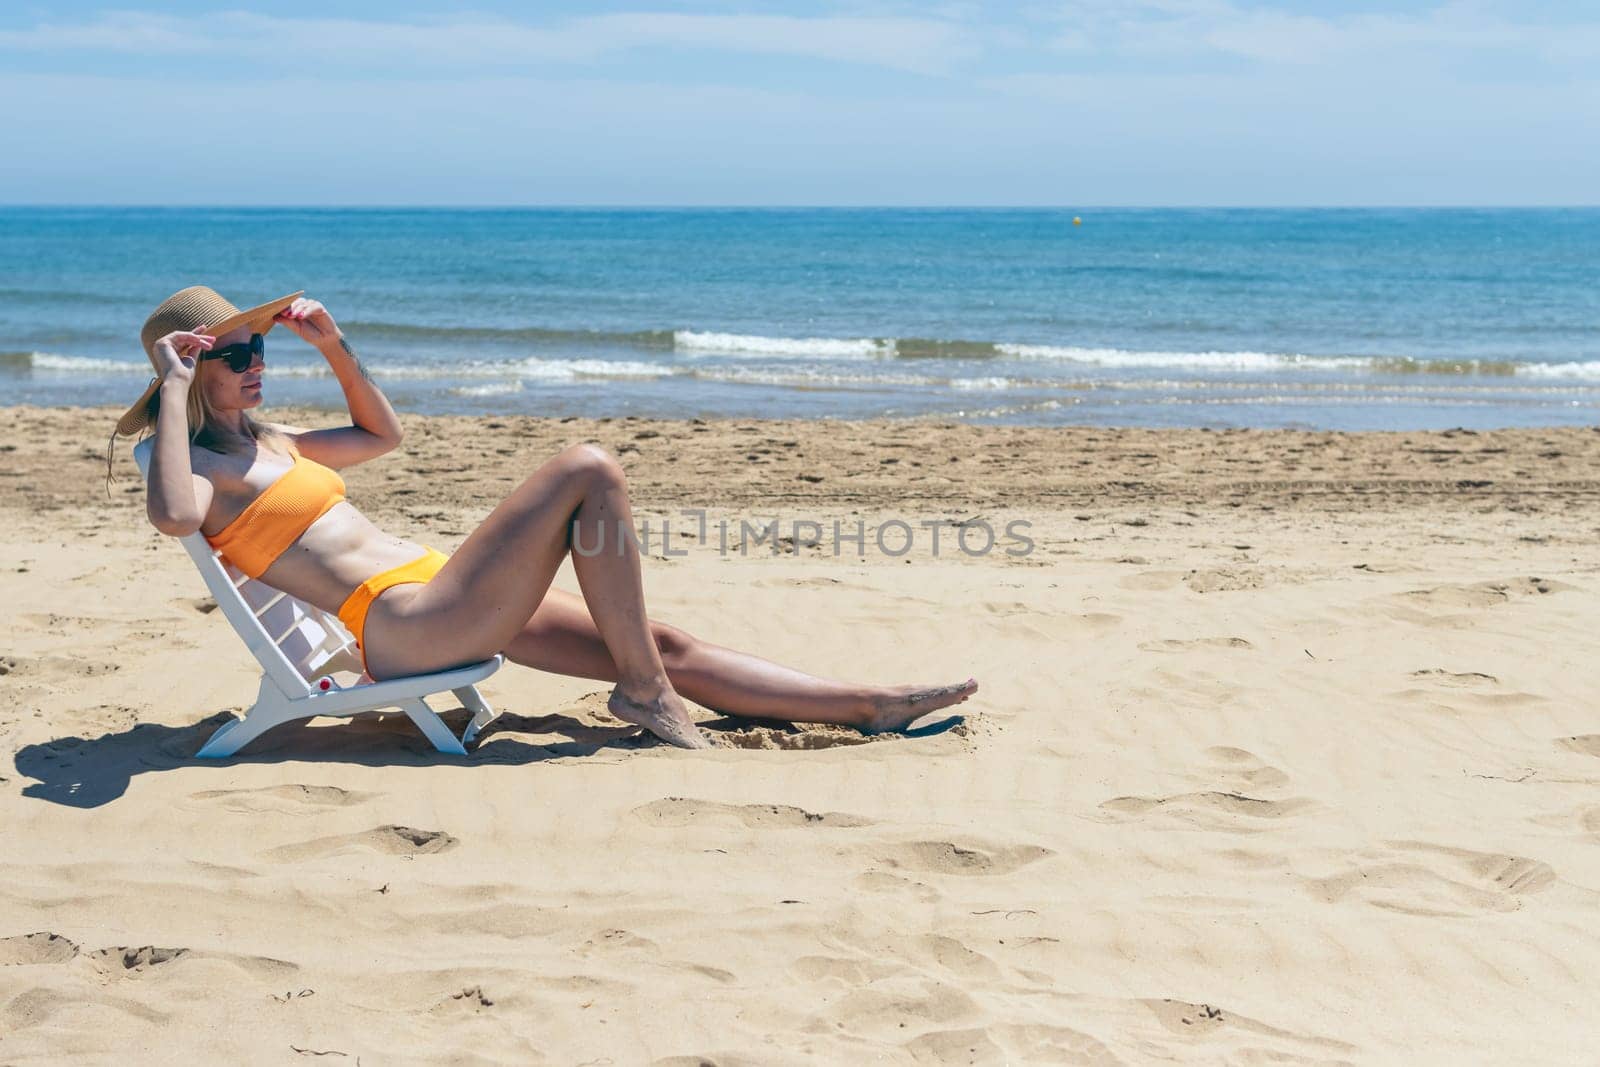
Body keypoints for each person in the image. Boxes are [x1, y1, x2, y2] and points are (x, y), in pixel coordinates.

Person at [113, 287, 977, 750]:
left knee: (658, 638)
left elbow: (384, 434)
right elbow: (170, 517)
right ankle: (643, 696)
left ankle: (868, 703)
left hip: (434, 590)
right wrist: (176, 384)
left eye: (256, 346)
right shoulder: (200, 470)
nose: (254, 361)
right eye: (232, 353)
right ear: (190, 374)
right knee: (589, 469)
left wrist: (334, 346)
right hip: (400, 625)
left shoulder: (275, 440)